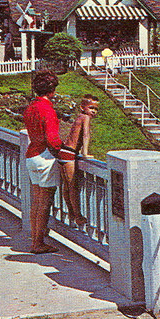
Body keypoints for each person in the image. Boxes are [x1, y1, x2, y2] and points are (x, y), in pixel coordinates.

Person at [22, 69, 67, 254]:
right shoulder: (47, 109)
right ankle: (38, 243)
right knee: (44, 203)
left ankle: (35, 239)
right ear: (52, 90)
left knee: (36, 202)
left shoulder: (31, 107)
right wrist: (66, 151)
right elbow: (52, 139)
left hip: (31, 156)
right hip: (45, 157)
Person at [62, 95, 100, 226]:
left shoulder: (79, 117)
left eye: (96, 109)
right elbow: (85, 135)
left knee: (67, 187)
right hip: (70, 154)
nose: (93, 111)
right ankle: (77, 216)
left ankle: (72, 212)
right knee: (72, 187)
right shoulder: (85, 118)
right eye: (91, 108)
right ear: (82, 107)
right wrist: (84, 153)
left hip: (63, 152)